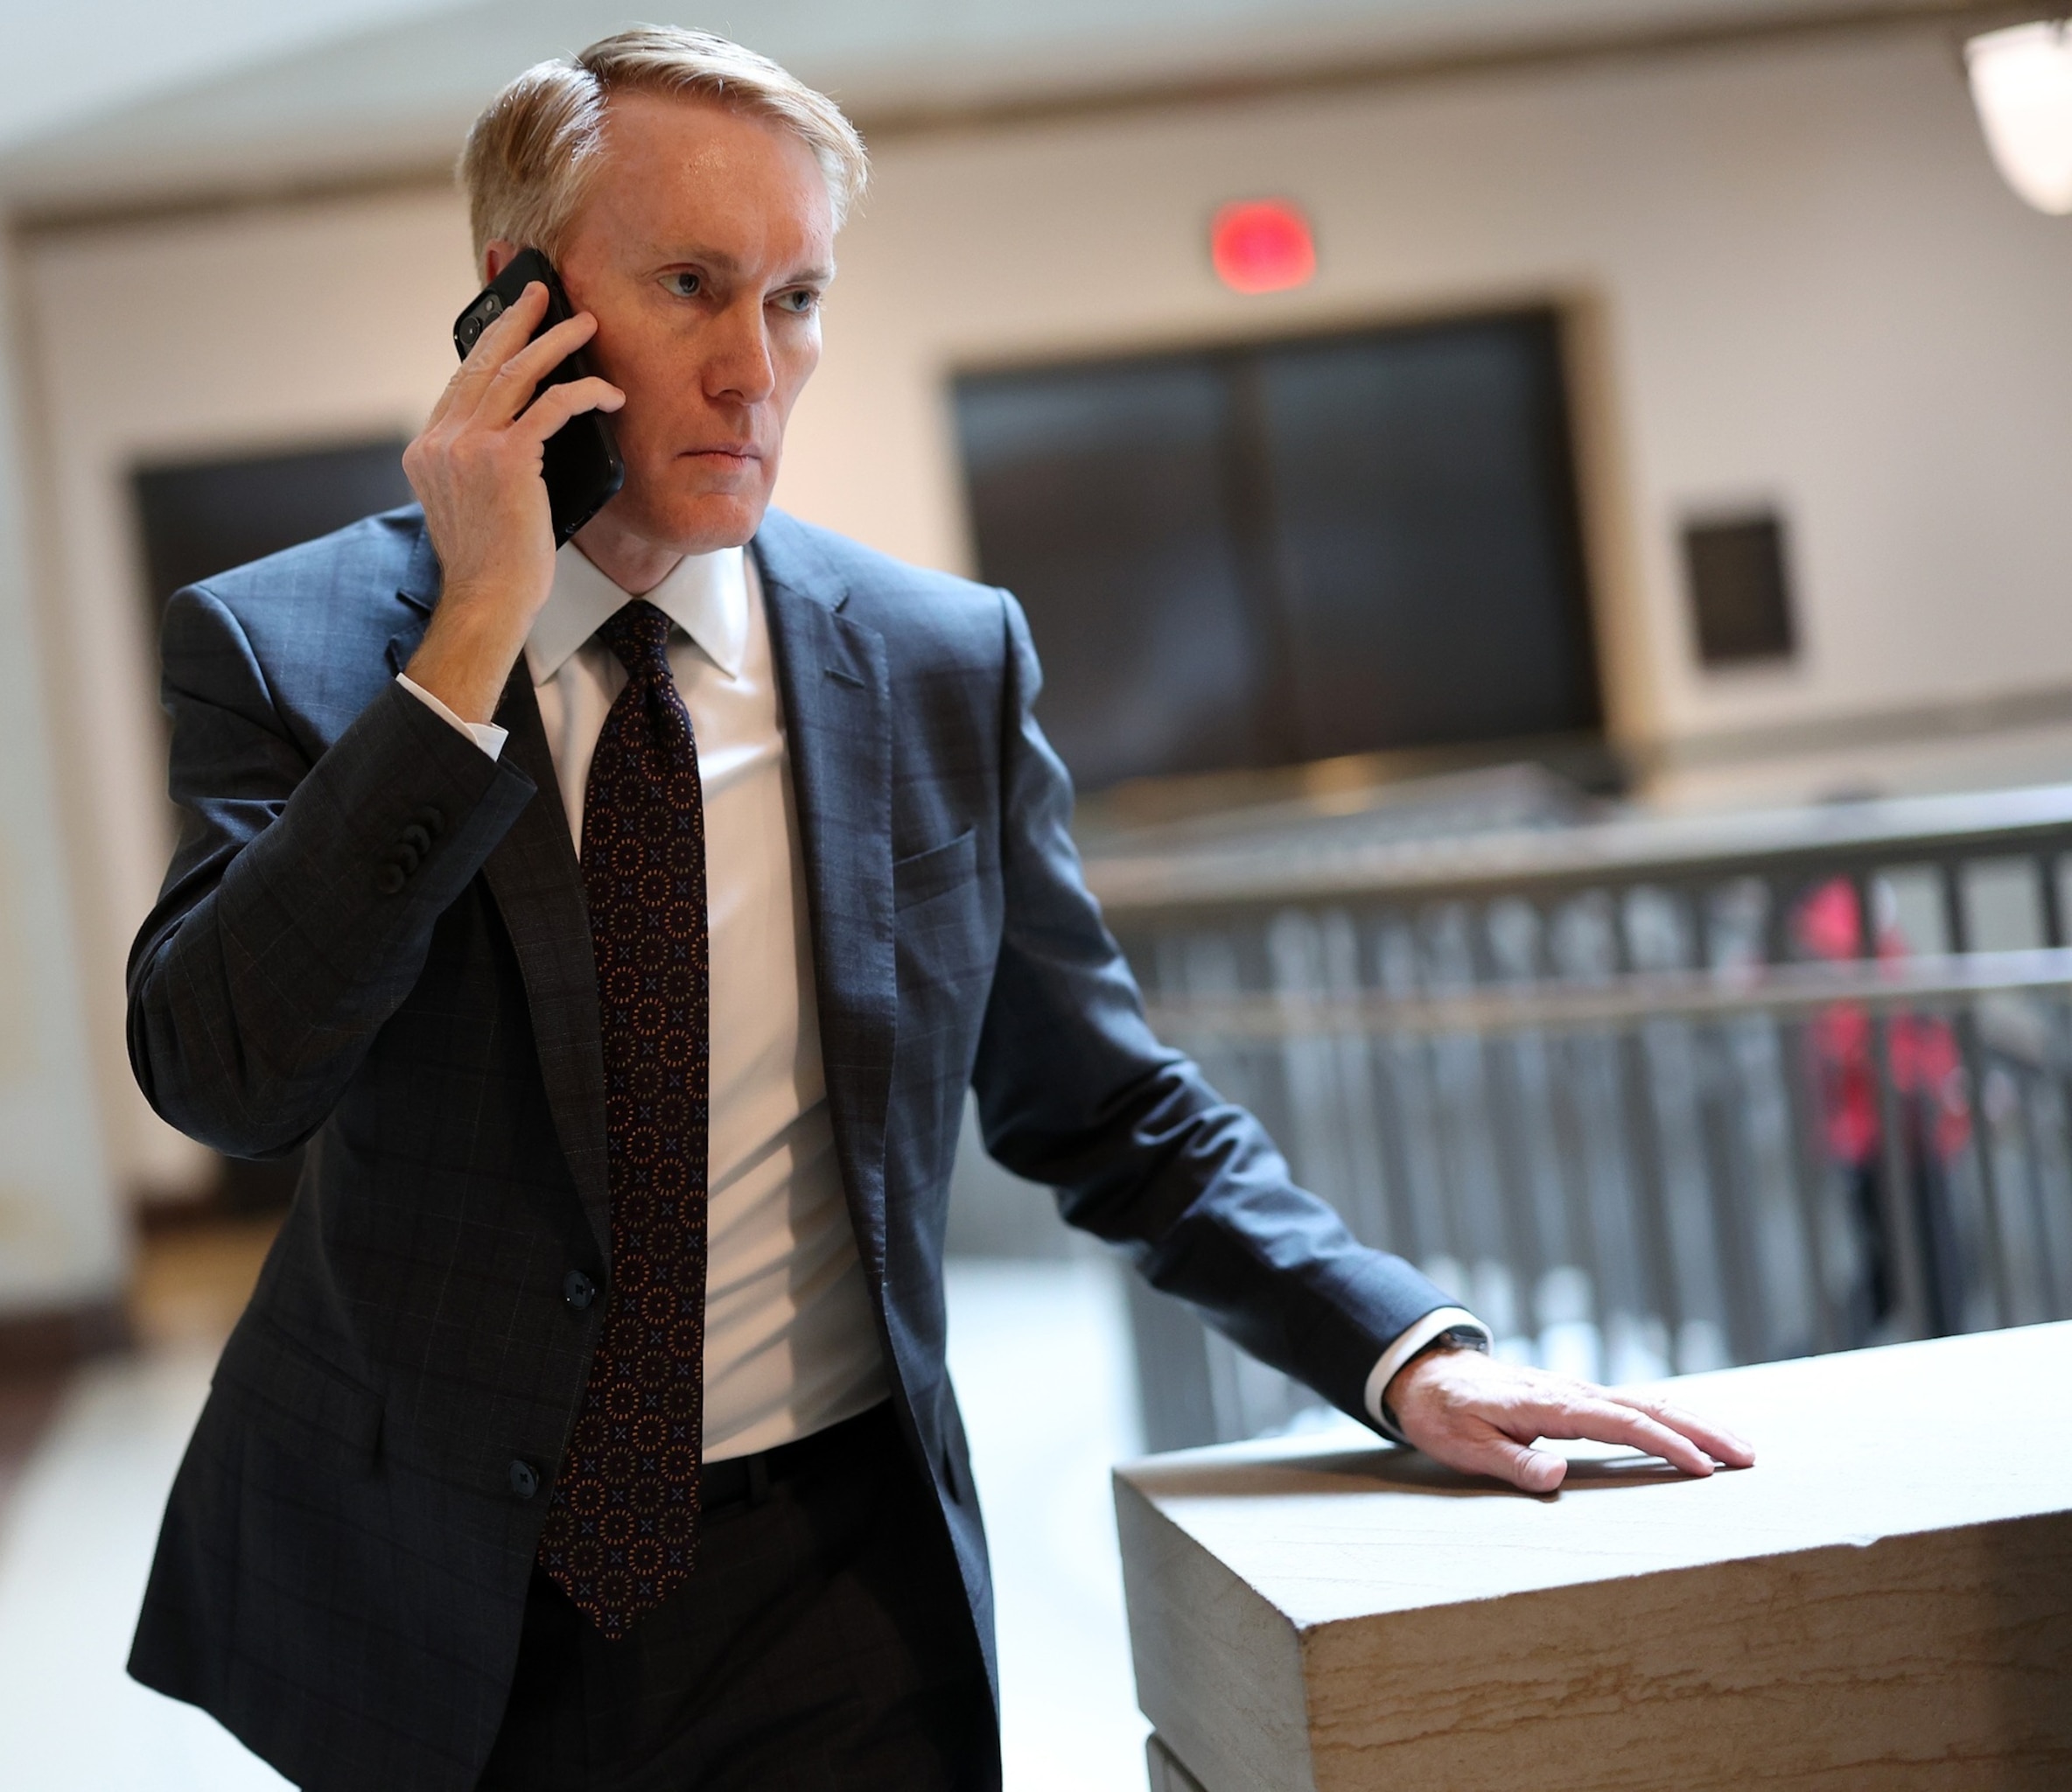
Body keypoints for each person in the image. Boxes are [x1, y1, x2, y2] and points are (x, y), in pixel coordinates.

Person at [123, 27, 1754, 1791]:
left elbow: (1103, 1104)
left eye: (802, 296)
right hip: (443, 1607)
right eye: (694, 286)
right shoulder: (286, 651)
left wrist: (1398, 1350)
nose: (760, 369)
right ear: (518, 302)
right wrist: (462, 657)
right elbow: (227, 1073)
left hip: (835, 1588)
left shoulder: (932, 663)